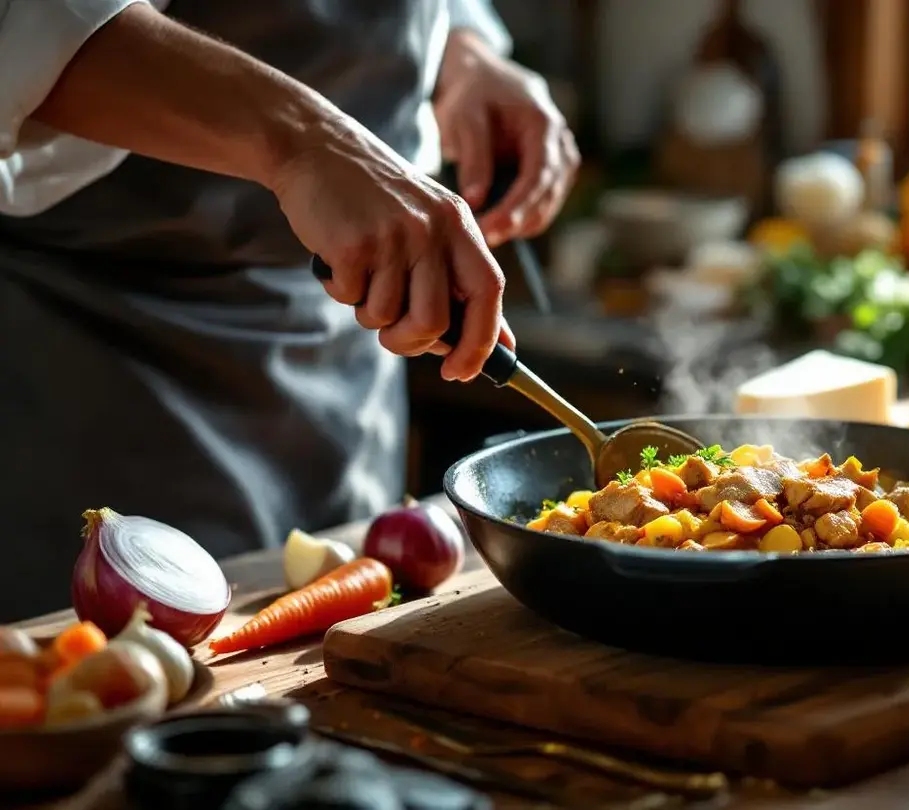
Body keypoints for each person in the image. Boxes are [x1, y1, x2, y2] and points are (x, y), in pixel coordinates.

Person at [0, 0, 579, 621]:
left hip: (347, 336)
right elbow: (29, 29)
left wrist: (463, 49)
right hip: (110, 348)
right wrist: (304, 142)